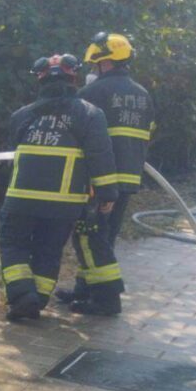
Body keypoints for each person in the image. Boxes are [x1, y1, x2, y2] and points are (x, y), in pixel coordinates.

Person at [0, 54, 119, 321]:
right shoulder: (90, 114)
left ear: (40, 80)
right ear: (73, 78)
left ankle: (23, 296)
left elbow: (11, 156)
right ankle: (38, 298)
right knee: (49, 249)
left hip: (21, 198)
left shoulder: (22, 115)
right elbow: (100, 156)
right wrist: (107, 193)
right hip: (65, 204)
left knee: (12, 244)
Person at [53, 32, 154, 314]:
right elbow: (148, 134)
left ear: (105, 62)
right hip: (128, 178)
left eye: (95, 64)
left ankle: (106, 300)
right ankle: (85, 289)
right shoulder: (143, 95)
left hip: (98, 179)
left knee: (91, 237)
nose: (93, 69)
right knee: (102, 237)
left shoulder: (93, 92)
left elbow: (75, 135)